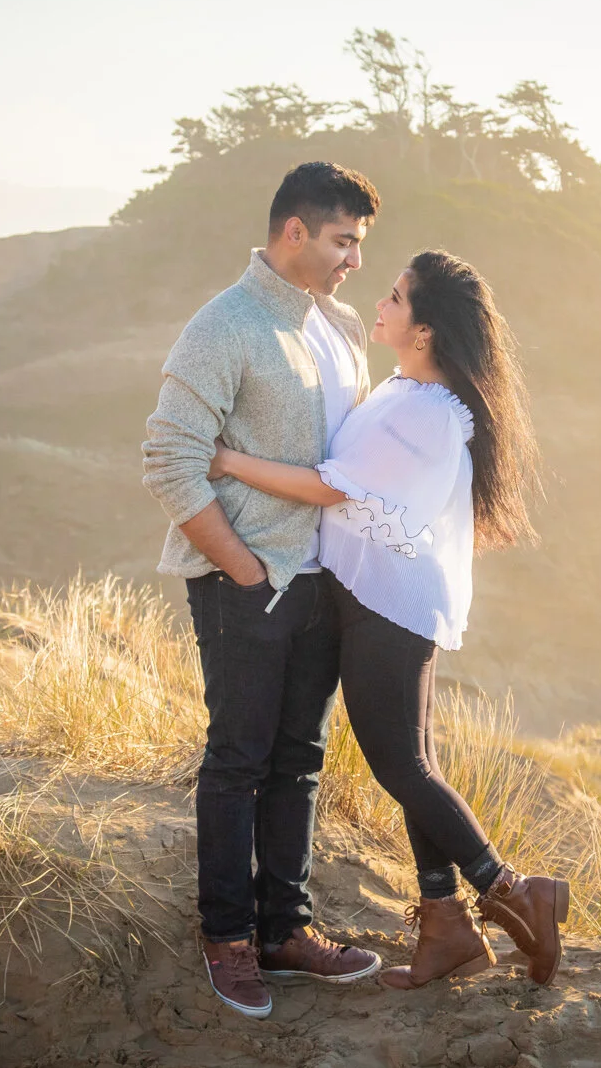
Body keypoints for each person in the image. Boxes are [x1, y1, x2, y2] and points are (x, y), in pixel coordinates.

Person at [208, 249, 570, 989]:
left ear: (425, 331)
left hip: (390, 605)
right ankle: (445, 926)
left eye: (397, 297)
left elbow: (329, 487)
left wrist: (229, 462)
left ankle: (511, 890)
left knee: (400, 764)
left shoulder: (426, 414)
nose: (381, 302)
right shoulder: (404, 393)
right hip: (368, 597)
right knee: (412, 766)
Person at [141, 161, 387, 1019]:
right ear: (295, 232)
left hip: (325, 582)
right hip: (245, 582)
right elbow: (168, 459)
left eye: (360, 242)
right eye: (344, 240)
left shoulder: (343, 325)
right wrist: (246, 571)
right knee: (239, 760)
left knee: (300, 762)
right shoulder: (224, 324)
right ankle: (227, 938)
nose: (355, 258)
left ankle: (286, 930)